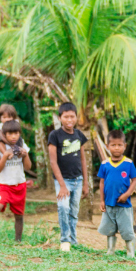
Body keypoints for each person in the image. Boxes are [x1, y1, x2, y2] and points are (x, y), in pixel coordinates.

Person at [47, 102, 90, 252]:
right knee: (63, 207)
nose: (69, 119)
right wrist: (62, 185)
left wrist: (85, 183)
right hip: (62, 180)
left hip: (78, 180)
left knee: (73, 210)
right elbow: (53, 161)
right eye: (66, 117)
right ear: (60, 118)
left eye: (72, 116)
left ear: (76, 117)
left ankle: (73, 239)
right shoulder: (55, 135)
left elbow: (83, 160)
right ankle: (65, 239)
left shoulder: (79, 135)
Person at [95, 130, 136, 257]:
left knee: (127, 229)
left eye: (119, 145)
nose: (116, 148)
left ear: (124, 146)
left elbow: (135, 180)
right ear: (107, 147)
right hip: (109, 204)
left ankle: (130, 251)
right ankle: (110, 250)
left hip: (124, 205)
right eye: (113, 145)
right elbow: (101, 183)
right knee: (109, 228)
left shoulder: (128, 163)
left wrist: (127, 194)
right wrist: (102, 200)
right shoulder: (104, 164)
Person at [0, 120, 31, 242]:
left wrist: (25, 155)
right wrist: (5, 156)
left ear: (19, 133)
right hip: (5, 186)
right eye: (10, 134)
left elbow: (28, 167)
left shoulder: (22, 146)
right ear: (4, 135)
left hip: (20, 185)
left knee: (19, 215)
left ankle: (18, 240)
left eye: (16, 133)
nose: (13, 136)